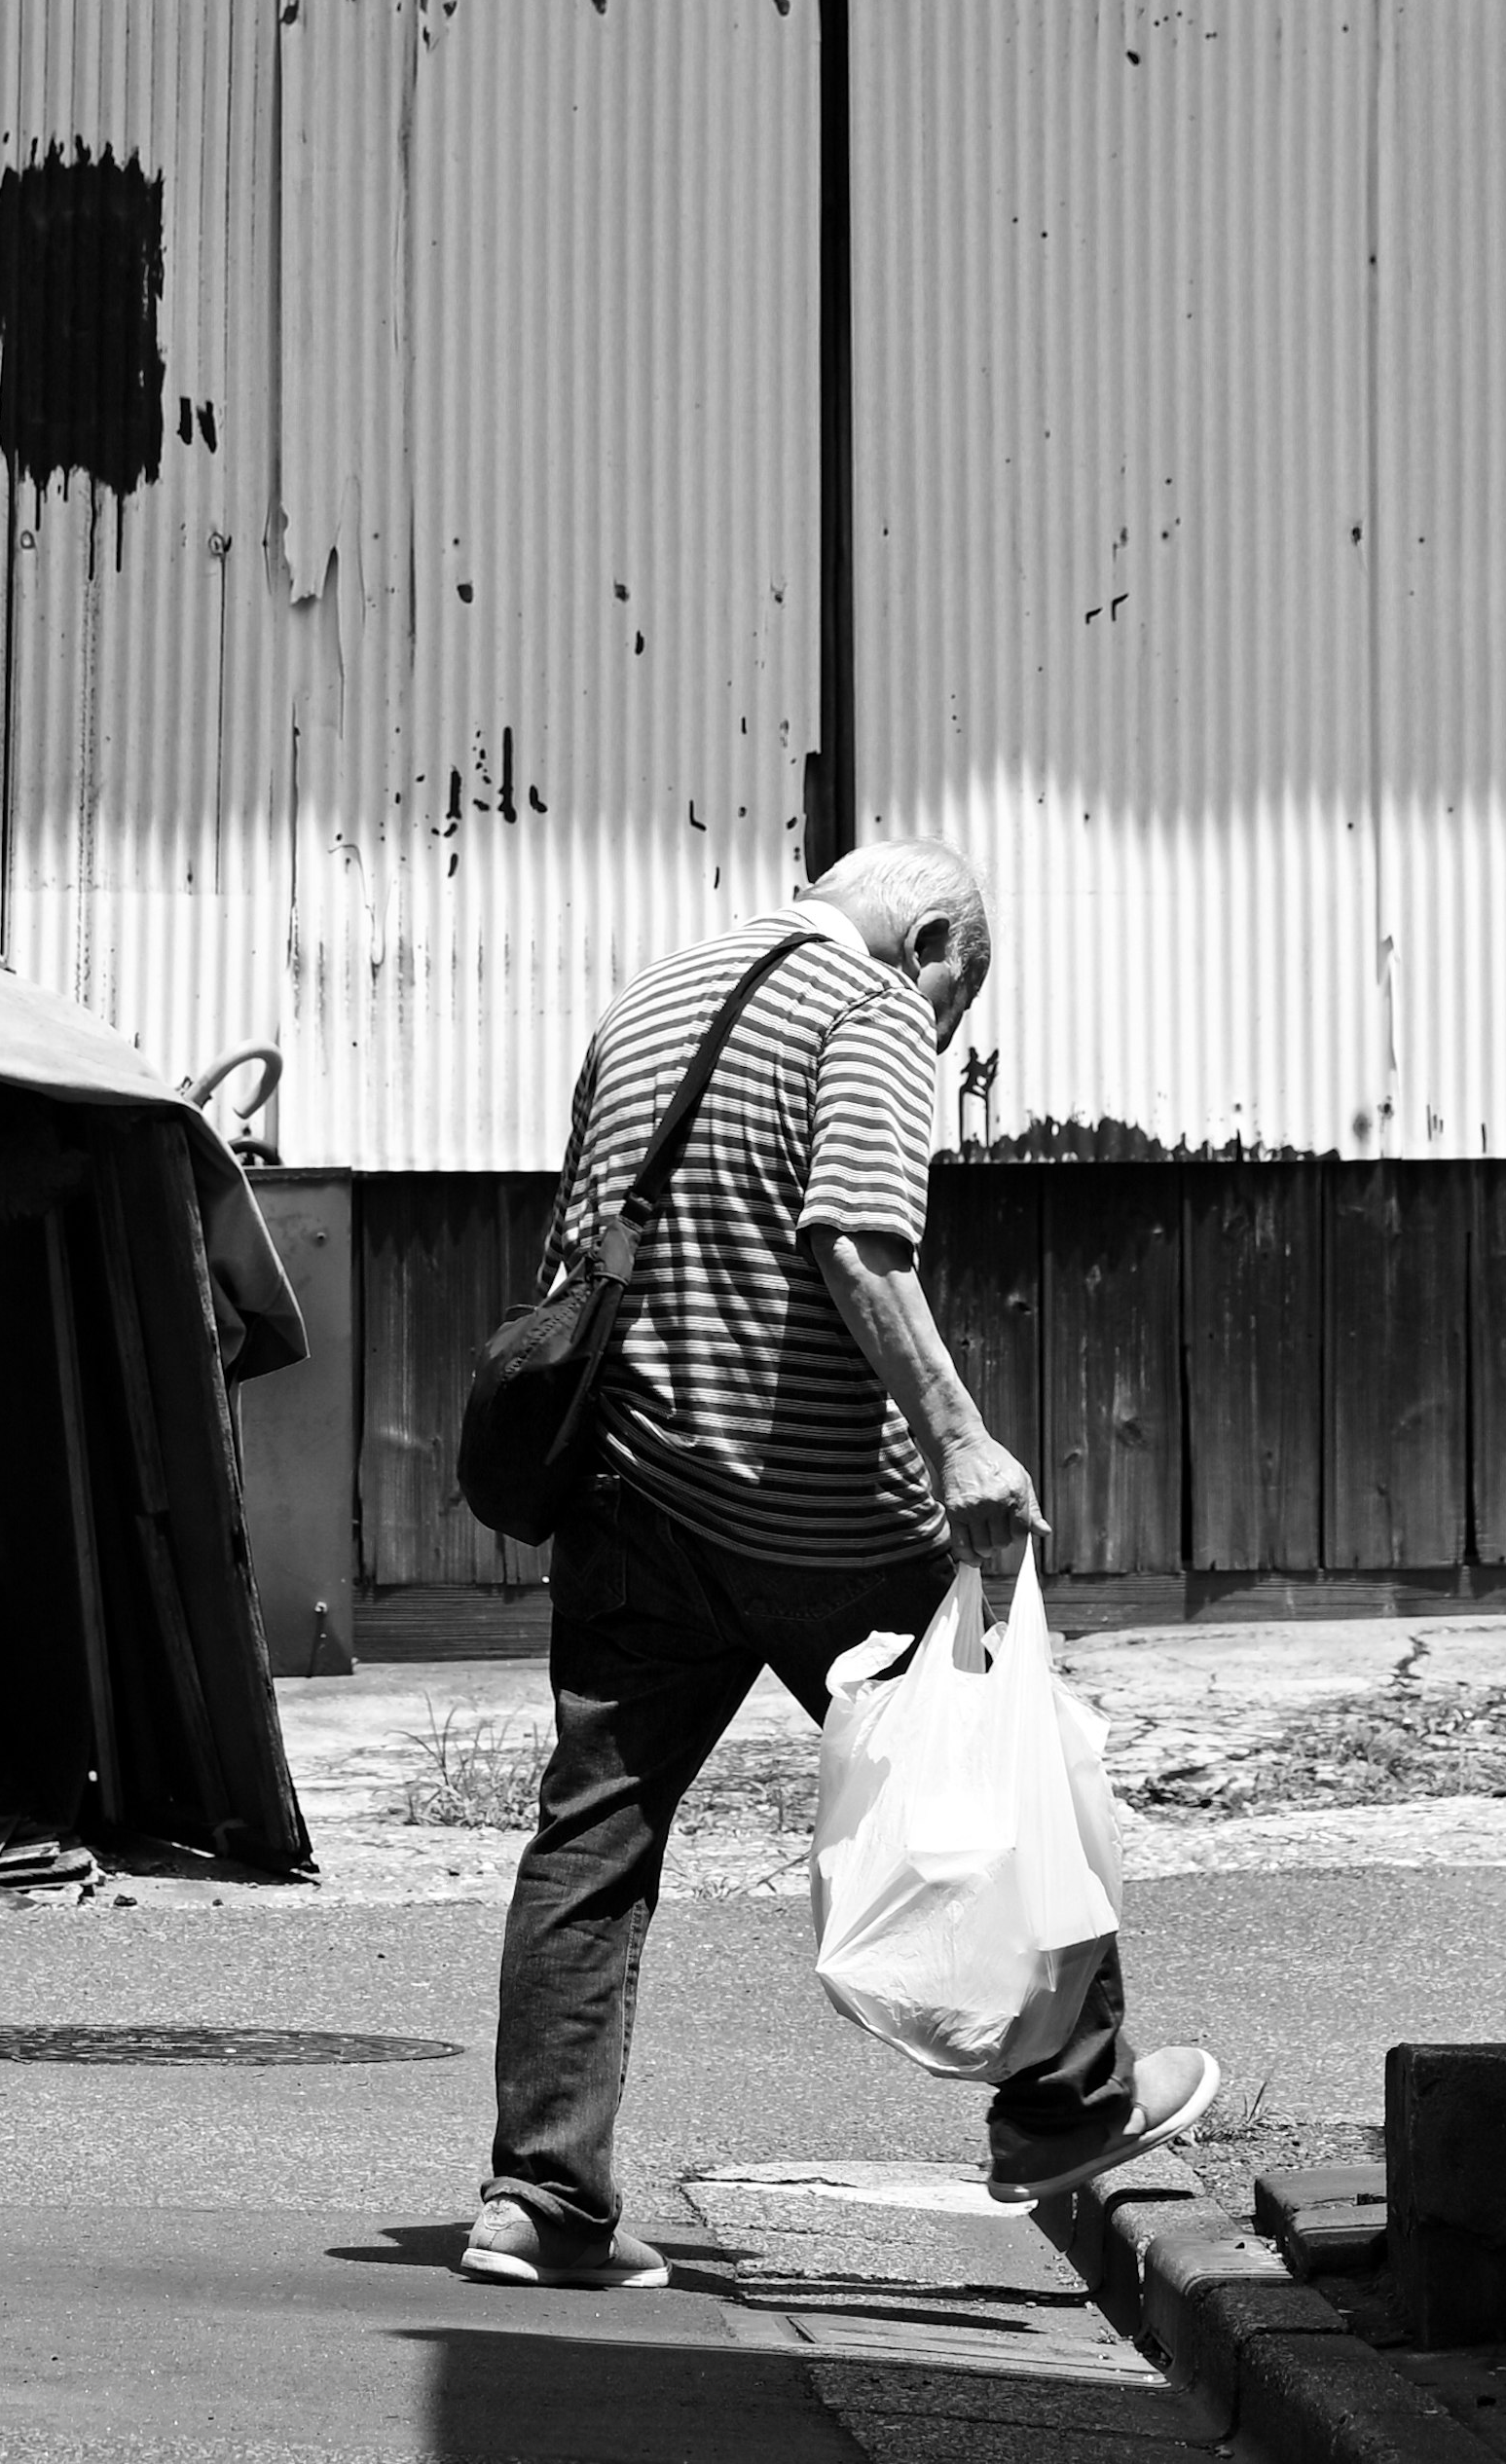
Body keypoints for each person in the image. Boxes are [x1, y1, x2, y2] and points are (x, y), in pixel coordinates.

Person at [460, 837, 1220, 2291]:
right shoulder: (865, 1012)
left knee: (591, 1840)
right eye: (957, 1003)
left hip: (633, 1497)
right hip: (824, 1520)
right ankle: (1070, 2103)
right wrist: (962, 1445)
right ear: (929, 938)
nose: (941, 1035)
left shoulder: (646, 1003)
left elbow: (582, 1251)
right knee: (994, 1760)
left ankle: (540, 2200)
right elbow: (859, 1243)